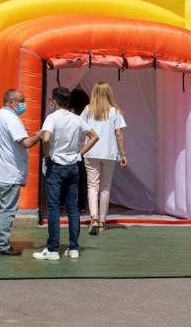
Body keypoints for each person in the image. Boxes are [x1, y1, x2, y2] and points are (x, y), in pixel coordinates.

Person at [33, 87, 98, 261]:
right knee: (73, 208)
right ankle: (74, 247)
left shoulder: (52, 118)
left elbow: (45, 138)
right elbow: (94, 136)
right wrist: (79, 153)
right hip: (73, 165)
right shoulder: (76, 119)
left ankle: (53, 249)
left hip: (56, 165)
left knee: (54, 208)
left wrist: (47, 156)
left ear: (54, 101)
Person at [0, 89, 41, 256]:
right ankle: (1, 244)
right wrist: (40, 135)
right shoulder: (12, 119)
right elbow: (26, 143)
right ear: (10, 102)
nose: (24, 104)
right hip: (8, 173)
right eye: (21, 100)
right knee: (7, 211)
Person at [80, 82, 128, 235]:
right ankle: (102, 221)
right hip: (109, 153)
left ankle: (93, 217)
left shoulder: (88, 110)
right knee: (105, 188)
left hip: (91, 152)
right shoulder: (114, 112)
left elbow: (80, 129)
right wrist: (123, 154)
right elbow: (119, 134)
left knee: (92, 185)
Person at [69, 88, 90, 212]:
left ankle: (62, 202)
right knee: (82, 178)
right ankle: (81, 205)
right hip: (85, 149)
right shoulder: (88, 113)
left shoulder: (69, 115)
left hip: (71, 148)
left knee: (66, 177)